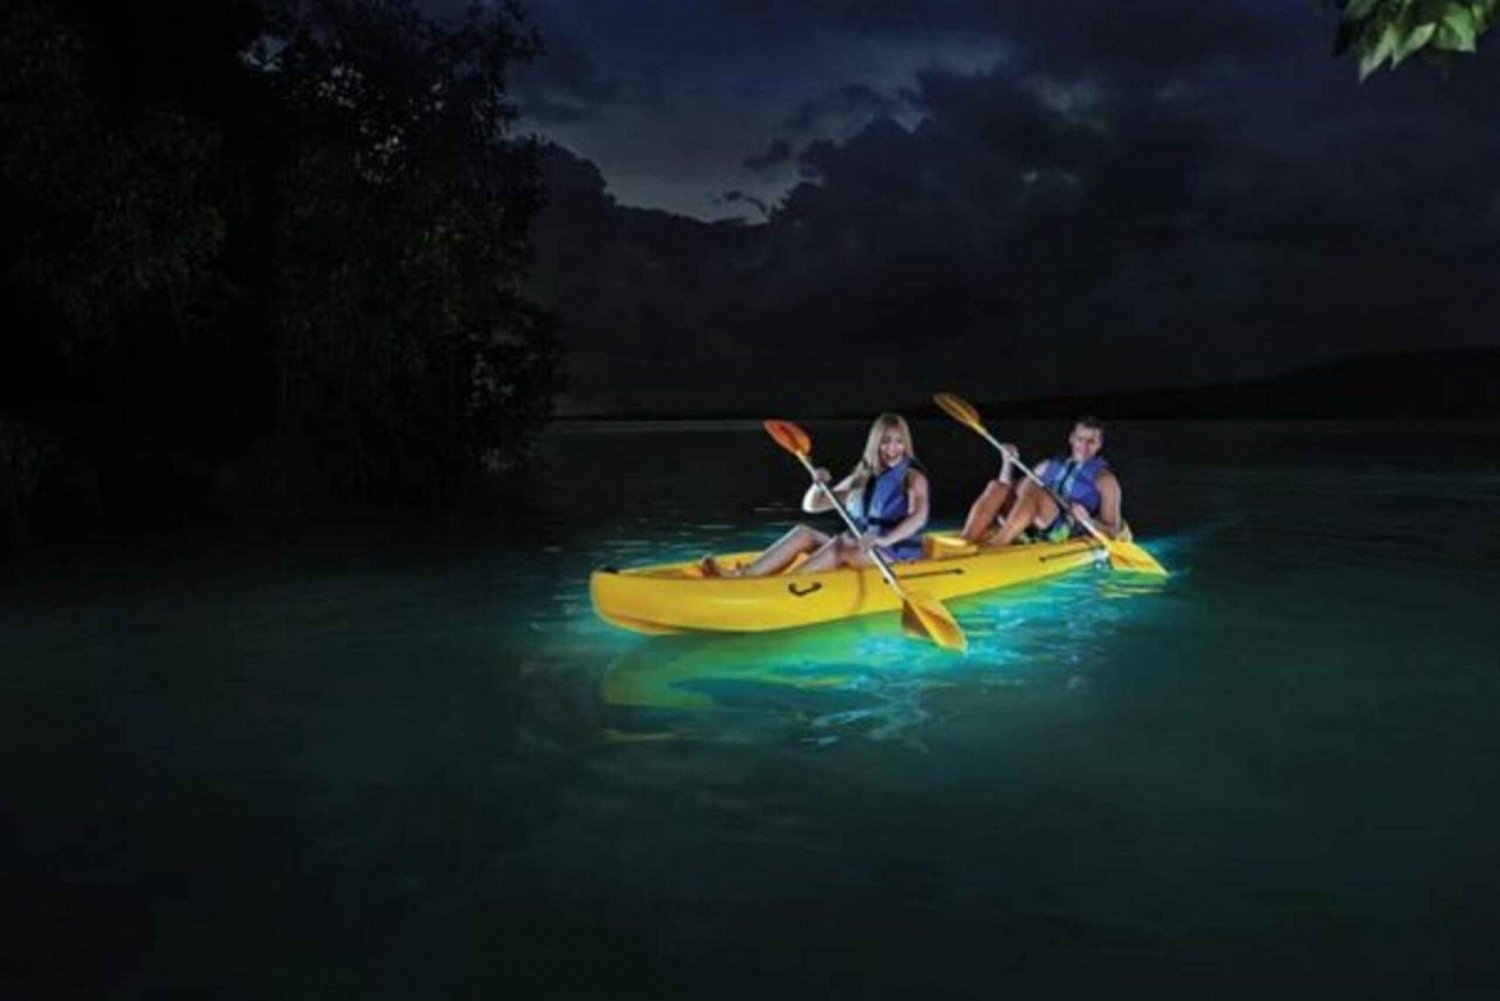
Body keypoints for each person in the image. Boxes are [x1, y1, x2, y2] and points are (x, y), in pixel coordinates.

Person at [701, 412, 931, 577]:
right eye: (886, 441)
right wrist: (818, 485)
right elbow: (812, 506)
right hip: (864, 549)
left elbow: (918, 517)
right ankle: (747, 574)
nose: (893, 448)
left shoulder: (912, 478)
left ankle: (780, 589)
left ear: (906, 443)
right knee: (805, 533)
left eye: (899, 441)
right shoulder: (861, 478)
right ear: (875, 444)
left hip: (895, 556)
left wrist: (883, 539)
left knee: (841, 543)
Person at [959, 416, 1125, 546]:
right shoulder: (1049, 465)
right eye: (1080, 439)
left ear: (1099, 444)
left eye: (1091, 441)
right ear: (1072, 438)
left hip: (1060, 531)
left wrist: (1088, 520)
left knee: (1034, 486)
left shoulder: (1105, 480)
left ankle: (996, 546)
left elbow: (1114, 532)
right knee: (997, 487)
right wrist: (1007, 462)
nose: (1084, 446)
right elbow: (1014, 491)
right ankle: (965, 541)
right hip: (1026, 523)